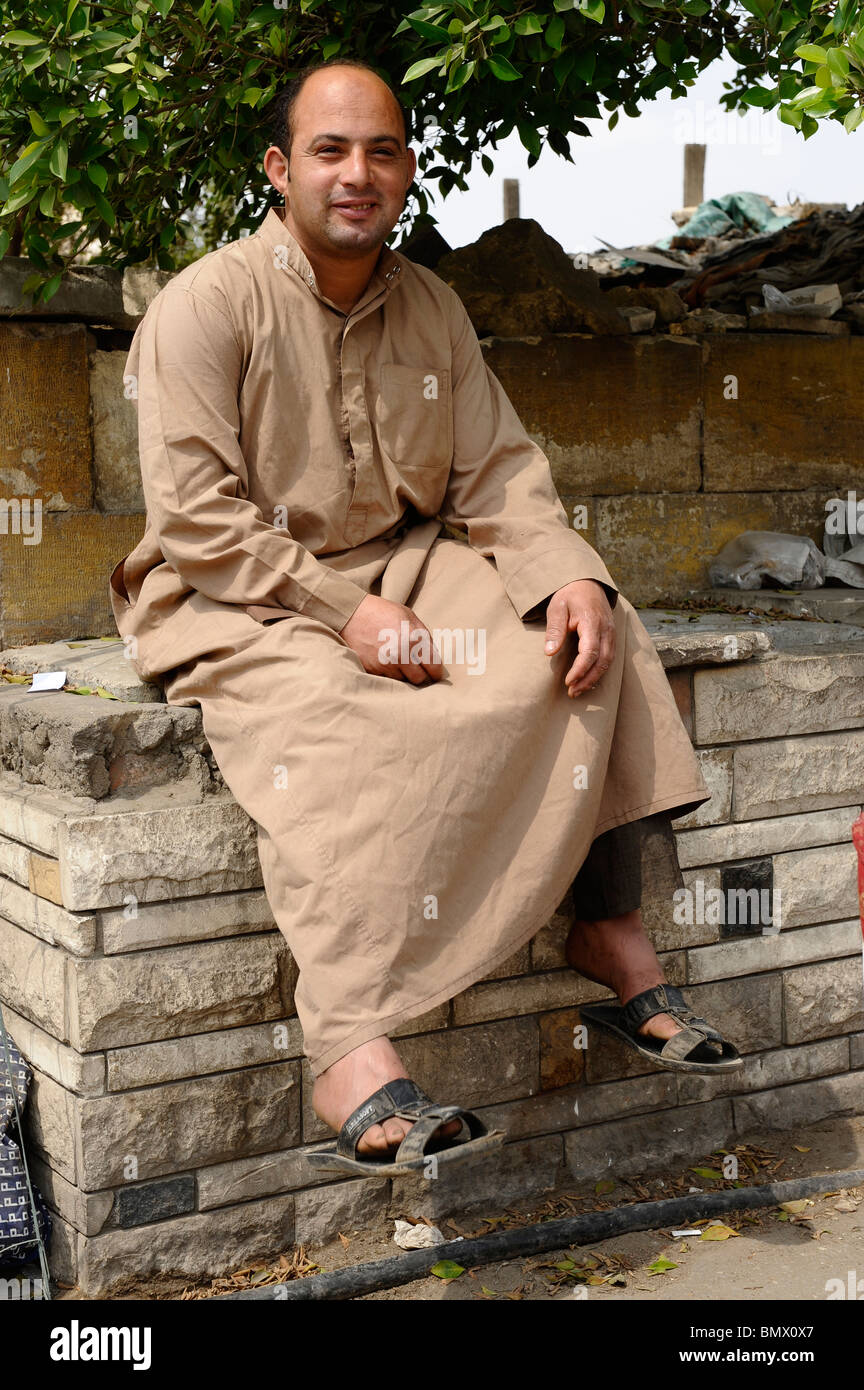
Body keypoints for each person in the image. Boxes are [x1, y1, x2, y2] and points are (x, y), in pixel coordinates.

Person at [108, 57, 740, 1179]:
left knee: (582, 637)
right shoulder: (205, 306)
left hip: (406, 565)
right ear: (279, 167)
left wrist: (570, 576)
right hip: (235, 590)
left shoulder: (432, 305)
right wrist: (340, 615)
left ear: (406, 169)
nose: (359, 174)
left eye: (384, 151)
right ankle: (348, 1040)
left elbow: (496, 472)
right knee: (332, 713)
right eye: (331, 150)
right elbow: (198, 518)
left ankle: (610, 926)